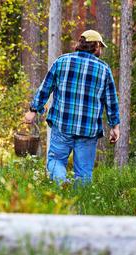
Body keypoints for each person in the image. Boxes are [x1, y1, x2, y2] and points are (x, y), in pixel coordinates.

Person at [25, 29, 120, 186]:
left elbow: (45, 88)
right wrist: (115, 126)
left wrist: (33, 110)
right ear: (95, 46)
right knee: (84, 173)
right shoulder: (104, 70)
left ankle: (61, 185)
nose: (101, 50)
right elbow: (111, 101)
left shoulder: (62, 62)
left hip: (62, 126)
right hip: (88, 131)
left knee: (55, 161)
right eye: (100, 46)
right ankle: (79, 206)